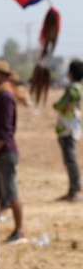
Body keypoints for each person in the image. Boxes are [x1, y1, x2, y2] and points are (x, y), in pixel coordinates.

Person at [0, 58, 25, 244]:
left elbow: (5, 129)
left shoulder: (5, 96)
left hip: (4, 151)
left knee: (11, 193)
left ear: (2, 75)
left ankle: (20, 231)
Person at [54, 59, 83, 202]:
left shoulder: (72, 89)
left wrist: (57, 105)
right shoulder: (79, 87)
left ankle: (76, 190)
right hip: (73, 126)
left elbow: (60, 105)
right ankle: (73, 190)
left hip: (67, 127)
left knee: (70, 160)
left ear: (70, 73)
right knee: (70, 159)